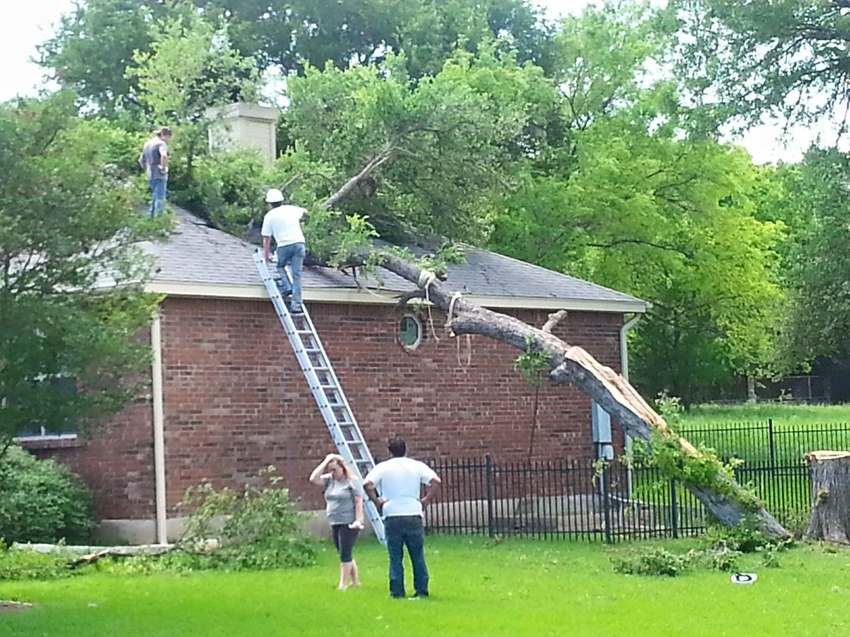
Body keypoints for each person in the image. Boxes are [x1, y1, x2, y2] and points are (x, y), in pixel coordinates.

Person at [364, 437, 441, 599]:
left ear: (389, 451)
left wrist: (377, 501)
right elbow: (435, 481)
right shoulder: (416, 465)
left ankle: (397, 591)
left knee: (395, 556)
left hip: (392, 514)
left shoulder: (383, 467)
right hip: (413, 513)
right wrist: (426, 499)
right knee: (417, 555)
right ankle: (421, 589)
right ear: (406, 449)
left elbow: (368, 484)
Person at [310, 453, 365, 589]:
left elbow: (358, 502)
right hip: (335, 521)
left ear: (342, 468)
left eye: (335, 469)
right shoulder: (330, 480)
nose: (332, 473)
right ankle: (356, 581)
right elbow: (313, 479)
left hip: (349, 522)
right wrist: (326, 460)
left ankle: (343, 583)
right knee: (343, 551)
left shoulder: (352, 481)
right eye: (330, 470)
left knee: (345, 553)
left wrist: (358, 520)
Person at [261, 188, 309, 315]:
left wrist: (266, 255)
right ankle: (296, 306)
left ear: (269, 204)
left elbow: (266, 239)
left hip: (284, 245)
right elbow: (305, 211)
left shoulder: (269, 216)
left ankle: (287, 287)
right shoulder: (290, 209)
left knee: (280, 265)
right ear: (281, 200)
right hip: (299, 243)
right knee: (296, 274)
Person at [139, 127, 173, 217]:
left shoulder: (147, 144)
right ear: (163, 135)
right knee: (160, 198)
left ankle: (151, 219)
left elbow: (141, 160)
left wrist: (146, 169)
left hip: (150, 174)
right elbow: (164, 156)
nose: (168, 140)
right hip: (159, 174)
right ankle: (159, 221)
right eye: (168, 137)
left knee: (155, 197)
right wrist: (163, 168)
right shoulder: (161, 144)